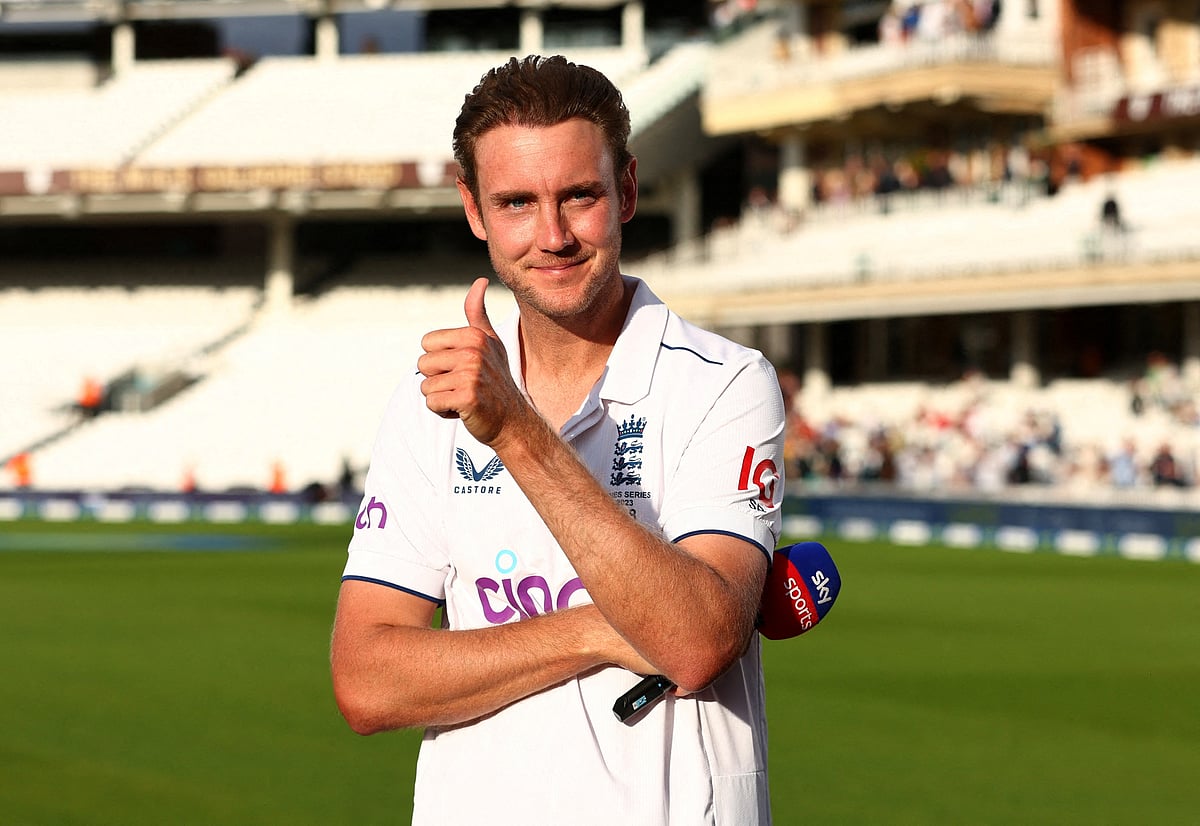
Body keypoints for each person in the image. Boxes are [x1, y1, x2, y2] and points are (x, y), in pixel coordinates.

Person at [330, 55, 785, 825]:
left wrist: (513, 427)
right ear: (474, 210)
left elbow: (697, 638)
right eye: (516, 202)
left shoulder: (726, 383)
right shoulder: (430, 402)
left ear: (628, 191)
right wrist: (604, 628)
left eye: (580, 196)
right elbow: (367, 683)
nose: (553, 235)